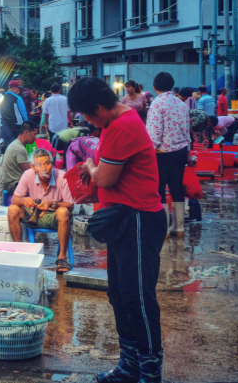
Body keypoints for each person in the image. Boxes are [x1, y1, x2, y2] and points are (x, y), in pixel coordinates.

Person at [69, 77, 166, 383]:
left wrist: (90, 167)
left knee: (137, 297)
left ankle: (150, 371)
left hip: (139, 219)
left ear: (99, 107)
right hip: (122, 218)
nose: (86, 121)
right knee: (119, 294)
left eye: (86, 115)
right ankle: (129, 365)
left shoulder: (123, 125)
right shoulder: (114, 122)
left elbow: (106, 178)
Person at [7, 148, 74, 272]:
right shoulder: (28, 175)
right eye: (39, 165)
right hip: (34, 215)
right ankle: (19, 252)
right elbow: (14, 199)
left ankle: (62, 258)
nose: (44, 168)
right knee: (13, 209)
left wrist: (52, 203)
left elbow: (70, 205)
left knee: (63, 211)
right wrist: (24, 200)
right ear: (33, 167)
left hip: (55, 217)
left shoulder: (61, 176)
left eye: (47, 163)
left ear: (52, 164)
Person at [146, 72, 190, 237]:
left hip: (162, 152)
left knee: (159, 189)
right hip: (181, 151)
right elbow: (187, 130)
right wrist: (188, 152)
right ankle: (179, 227)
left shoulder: (157, 104)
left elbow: (154, 132)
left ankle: (162, 229)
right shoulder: (181, 103)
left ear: (154, 87)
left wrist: (149, 152)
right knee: (176, 187)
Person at [2, 121, 39, 195]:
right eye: (34, 134)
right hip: (14, 185)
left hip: (12, 184)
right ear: (26, 133)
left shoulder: (15, 144)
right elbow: (29, 173)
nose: (35, 137)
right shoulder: (19, 148)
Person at [0, 81, 29, 147]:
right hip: (16, 127)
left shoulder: (0, 98)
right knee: (17, 147)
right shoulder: (18, 98)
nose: (19, 92)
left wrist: (0, 124)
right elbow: (24, 114)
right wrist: (27, 126)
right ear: (13, 89)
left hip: (4, 127)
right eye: (18, 90)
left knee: (5, 148)